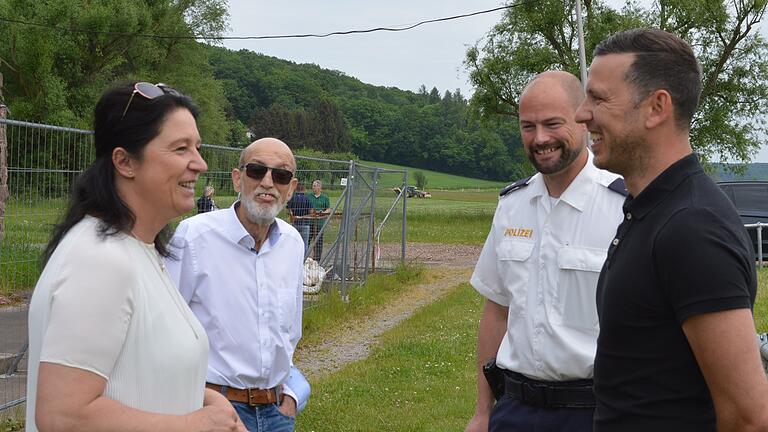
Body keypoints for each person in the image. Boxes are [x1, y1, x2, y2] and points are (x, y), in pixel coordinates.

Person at [575, 28, 768, 431]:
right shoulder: (649, 210)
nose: (582, 113)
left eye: (598, 98)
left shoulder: (692, 227)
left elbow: (750, 416)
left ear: (656, 107)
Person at [26, 82, 244, 432]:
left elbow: (134, 371)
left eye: (197, 148)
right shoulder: (100, 261)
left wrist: (205, 398)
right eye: (181, 149)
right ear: (125, 161)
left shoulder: (136, 250)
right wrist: (193, 424)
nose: (200, 164)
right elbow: (62, 416)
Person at [466, 71, 626, 432]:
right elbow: (497, 310)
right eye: (528, 126)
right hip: (515, 410)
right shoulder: (512, 205)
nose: (540, 139)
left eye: (553, 124)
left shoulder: (622, 206)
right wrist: (482, 411)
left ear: (583, 119)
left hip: (597, 413)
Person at [166, 137, 305, 432]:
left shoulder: (292, 243)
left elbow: (289, 334)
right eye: (256, 171)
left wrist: (292, 395)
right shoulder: (194, 236)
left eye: (280, 175)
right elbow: (163, 331)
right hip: (215, 411)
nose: (268, 182)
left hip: (278, 413)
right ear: (237, 179)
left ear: (291, 188)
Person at [307, 179, 331, 260]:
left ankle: (317, 259)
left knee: (319, 242)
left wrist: (323, 212)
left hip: (320, 223)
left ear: (319, 187)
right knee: (307, 240)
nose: (312, 187)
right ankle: (305, 257)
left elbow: (328, 209)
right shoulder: (308, 196)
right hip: (309, 222)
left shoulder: (325, 197)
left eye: (314, 186)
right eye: (312, 185)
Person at [286, 182, 312, 254]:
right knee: (304, 244)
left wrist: (293, 216)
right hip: (305, 223)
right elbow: (311, 212)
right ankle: (303, 260)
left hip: (295, 223)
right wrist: (303, 216)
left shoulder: (292, 198)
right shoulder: (307, 199)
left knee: (294, 243)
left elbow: (289, 210)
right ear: (304, 189)